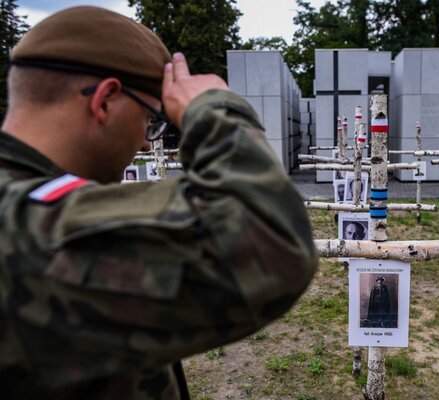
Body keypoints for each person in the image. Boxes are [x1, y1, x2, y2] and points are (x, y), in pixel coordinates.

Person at [0, 6, 317, 400]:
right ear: (105, 100)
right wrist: (215, 109)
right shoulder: (23, 221)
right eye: (151, 119)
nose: (147, 143)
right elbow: (269, 240)